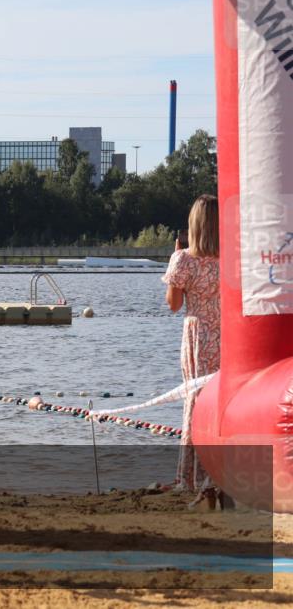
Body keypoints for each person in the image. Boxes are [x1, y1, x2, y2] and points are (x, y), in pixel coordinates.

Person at [162, 194, 225, 507]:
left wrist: (174, 263)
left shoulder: (184, 258)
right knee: (220, 404)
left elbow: (173, 305)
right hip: (228, 334)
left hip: (198, 334)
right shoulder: (232, 258)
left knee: (195, 403)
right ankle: (218, 475)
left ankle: (188, 478)